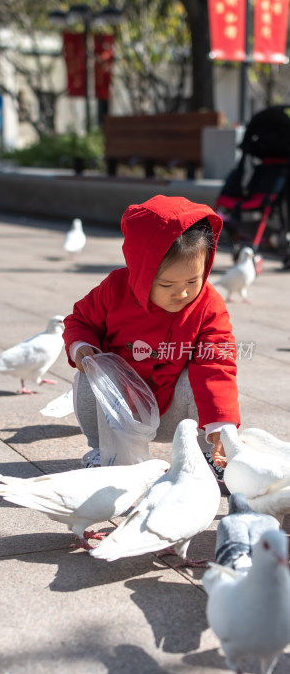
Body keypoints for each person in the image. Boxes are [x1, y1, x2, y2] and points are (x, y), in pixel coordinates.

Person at [63, 195, 240, 482]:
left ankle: (206, 454)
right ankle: (101, 451)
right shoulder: (114, 290)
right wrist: (82, 347)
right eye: (167, 284)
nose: (181, 294)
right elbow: (80, 321)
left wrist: (220, 424)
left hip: (176, 412)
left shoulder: (208, 303)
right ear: (142, 273)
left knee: (202, 376)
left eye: (192, 281)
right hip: (120, 410)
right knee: (91, 374)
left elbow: (217, 360)